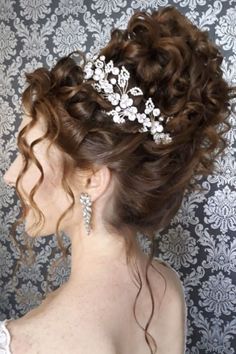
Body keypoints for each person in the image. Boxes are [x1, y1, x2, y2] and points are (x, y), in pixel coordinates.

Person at [1, 5, 235, 354]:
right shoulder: (166, 286)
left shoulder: (26, 342)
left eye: (28, 158)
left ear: (94, 179)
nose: (9, 177)